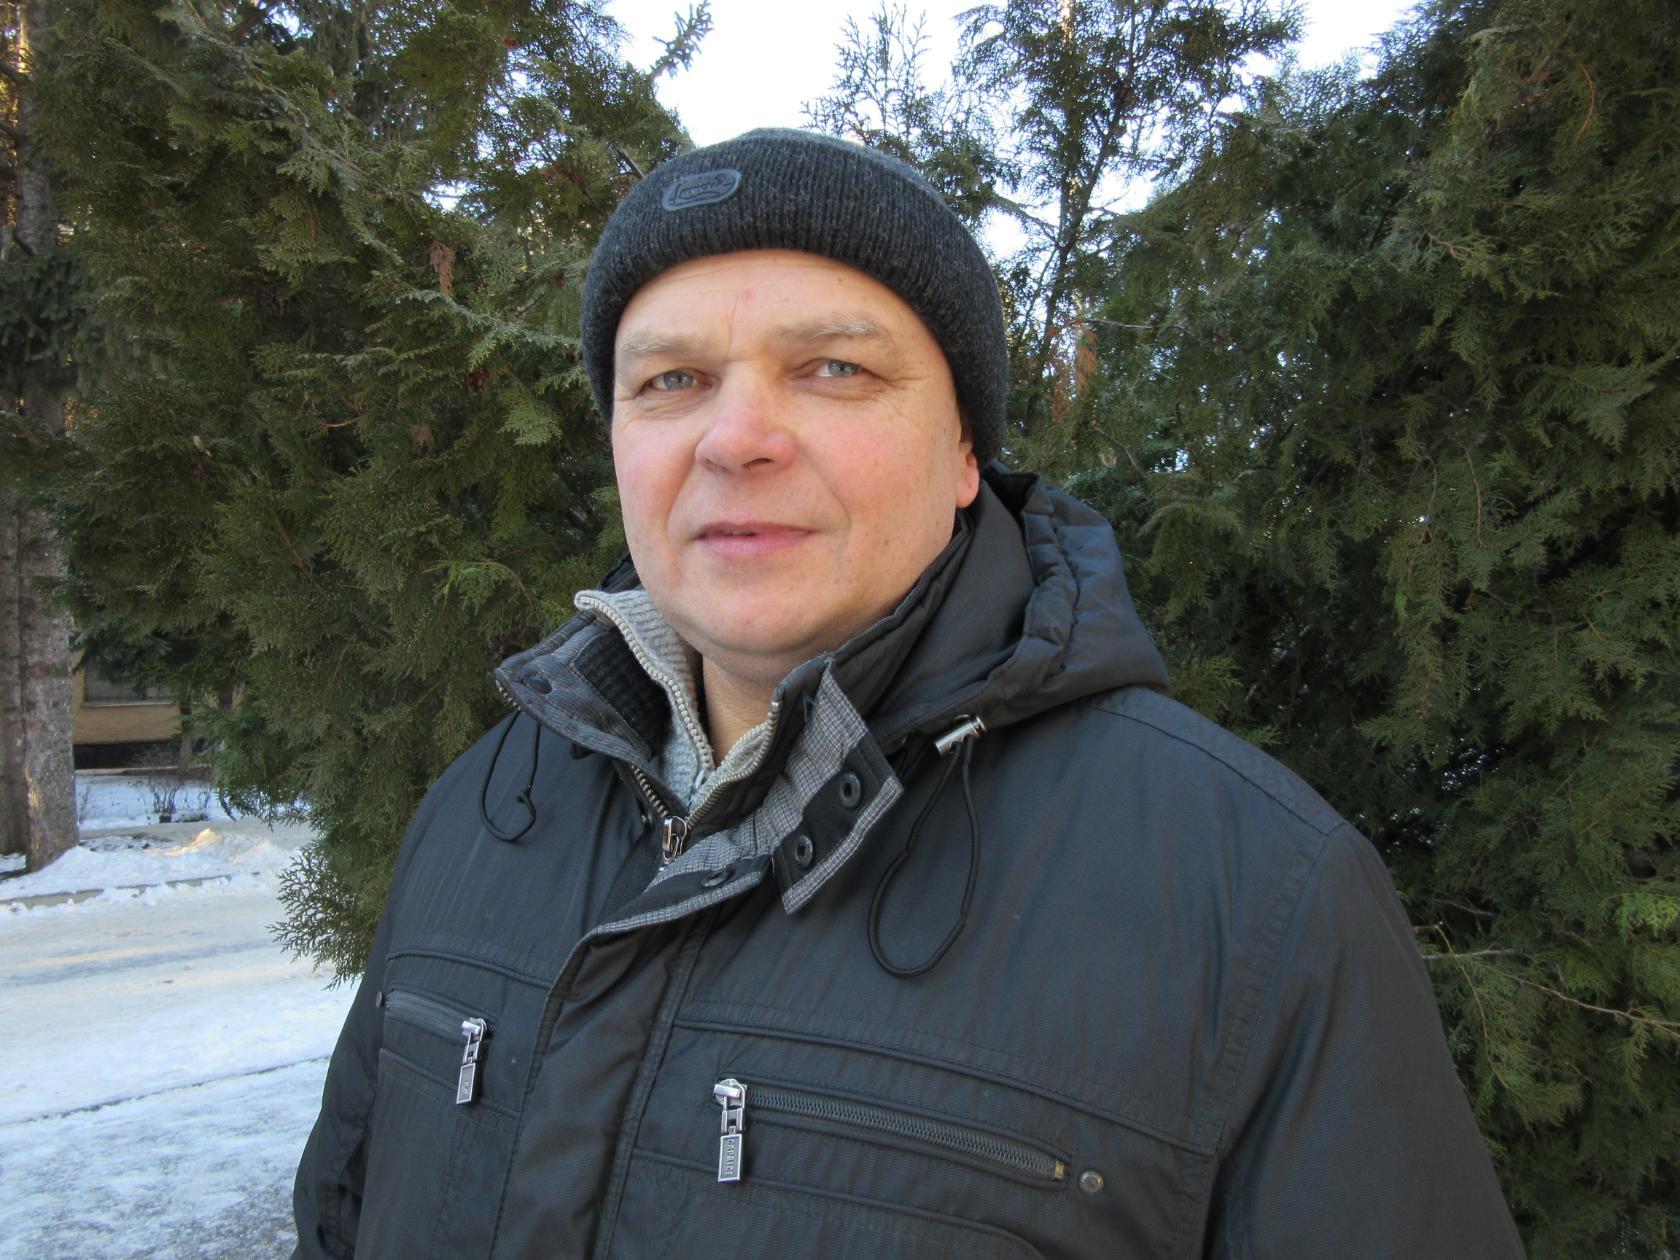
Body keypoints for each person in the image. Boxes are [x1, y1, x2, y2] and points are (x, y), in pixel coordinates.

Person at [293, 129, 1524, 1258]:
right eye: (670, 380)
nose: (734, 437)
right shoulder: (478, 814)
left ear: (966, 452)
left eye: (832, 367)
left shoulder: (1256, 900)